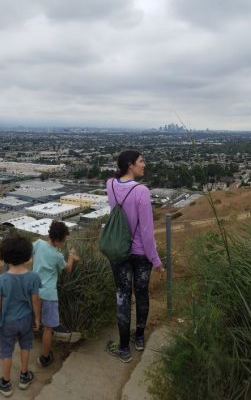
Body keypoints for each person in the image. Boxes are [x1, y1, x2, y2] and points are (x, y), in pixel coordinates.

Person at [105, 150, 163, 363]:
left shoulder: (110, 184)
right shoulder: (142, 192)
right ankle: (138, 339)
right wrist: (156, 259)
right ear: (130, 165)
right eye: (141, 161)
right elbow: (147, 233)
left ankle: (123, 348)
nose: (144, 165)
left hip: (119, 251)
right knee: (141, 294)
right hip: (140, 254)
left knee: (122, 296)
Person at [0, 234, 41, 397]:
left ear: (5, 256)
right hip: (25, 319)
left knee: (6, 351)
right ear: (27, 255)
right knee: (26, 346)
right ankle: (24, 377)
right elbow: (36, 300)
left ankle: (5, 383)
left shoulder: (0, 280)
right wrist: (37, 318)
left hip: (7, 322)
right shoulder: (33, 277)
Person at [31, 221, 80, 368]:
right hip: (49, 295)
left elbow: (29, 252)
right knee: (48, 328)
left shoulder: (38, 244)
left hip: (34, 291)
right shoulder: (58, 255)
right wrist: (71, 256)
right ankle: (45, 358)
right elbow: (68, 269)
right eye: (63, 240)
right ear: (59, 240)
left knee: (34, 320)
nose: (64, 243)